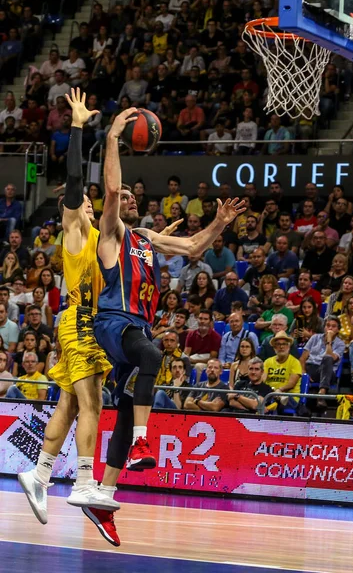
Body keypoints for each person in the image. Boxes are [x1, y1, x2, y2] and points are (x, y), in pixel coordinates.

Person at [90, 106, 245, 504]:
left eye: (131, 195)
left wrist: (220, 222)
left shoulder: (144, 238)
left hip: (135, 327)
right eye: (122, 196)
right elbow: (109, 191)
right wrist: (111, 137)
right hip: (113, 322)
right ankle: (144, 442)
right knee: (153, 355)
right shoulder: (111, 233)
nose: (126, 198)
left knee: (126, 406)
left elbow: (194, 246)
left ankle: (105, 494)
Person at [18, 89, 119, 526]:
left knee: (71, 405)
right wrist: (78, 127)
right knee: (92, 404)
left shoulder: (104, 237)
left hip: (85, 325)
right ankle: (82, 481)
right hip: (79, 324)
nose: (89, 204)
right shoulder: (76, 231)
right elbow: (77, 184)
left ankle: (38, 473)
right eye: (83, 204)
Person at [299, 316, 345, 408]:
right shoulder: (315, 338)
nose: (330, 328)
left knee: (327, 358)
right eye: (328, 325)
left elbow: (331, 357)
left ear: (338, 330)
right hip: (312, 369)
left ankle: (321, 393)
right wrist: (304, 373)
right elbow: (303, 358)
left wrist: (329, 341)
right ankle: (320, 396)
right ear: (324, 327)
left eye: (333, 326)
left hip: (329, 372)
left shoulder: (340, 344)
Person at [264, 331, 303, 412]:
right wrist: (272, 391)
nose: (281, 347)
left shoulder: (295, 362)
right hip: (270, 394)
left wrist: (279, 390)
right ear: (274, 347)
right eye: (278, 344)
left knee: (281, 400)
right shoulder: (267, 362)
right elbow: (263, 381)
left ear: (288, 346)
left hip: (289, 396)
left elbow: (291, 384)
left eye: (284, 344)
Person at [184, 309, 221, 381]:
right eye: (200, 318)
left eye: (205, 319)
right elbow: (186, 353)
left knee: (198, 366)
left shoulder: (216, 337)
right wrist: (188, 359)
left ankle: (196, 389)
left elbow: (212, 358)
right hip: (192, 358)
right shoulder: (191, 334)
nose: (202, 321)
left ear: (210, 322)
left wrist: (194, 361)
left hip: (205, 361)